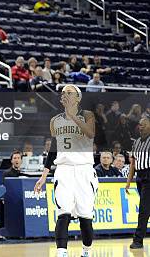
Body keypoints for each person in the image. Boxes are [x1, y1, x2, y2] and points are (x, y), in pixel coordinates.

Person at [34, 85, 97, 257]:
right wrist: (43, 175)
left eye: (69, 92)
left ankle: (86, 252)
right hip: (63, 171)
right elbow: (53, 149)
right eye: (63, 93)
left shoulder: (88, 115)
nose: (65, 95)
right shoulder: (55, 120)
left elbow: (90, 133)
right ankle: (61, 253)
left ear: (78, 98)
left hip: (84, 170)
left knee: (85, 216)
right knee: (63, 214)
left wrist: (72, 117)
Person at [126, 117, 150, 249]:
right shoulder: (136, 143)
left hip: (149, 176)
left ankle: (138, 240)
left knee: (143, 210)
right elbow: (133, 164)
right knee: (147, 209)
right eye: (140, 125)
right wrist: (128, 182)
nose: (140, 127)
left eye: (144, 125)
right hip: (140, 177)